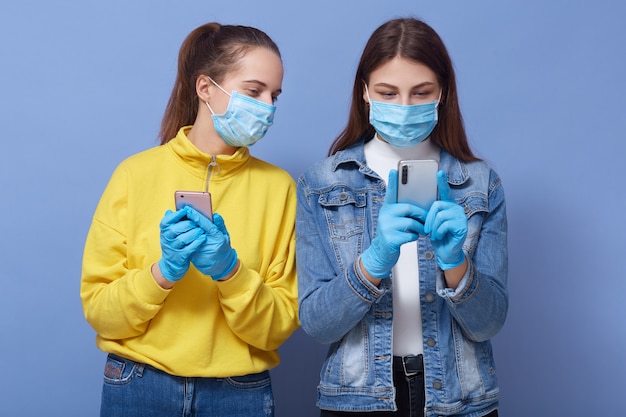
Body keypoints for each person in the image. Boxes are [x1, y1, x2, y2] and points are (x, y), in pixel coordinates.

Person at [80, 22, 298, 417]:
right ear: (205, 88)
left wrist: (231, 272)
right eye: (254, 91)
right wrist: (162, 274)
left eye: (274, 95)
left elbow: (278, 327)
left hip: (239, 392)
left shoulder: (279, 188)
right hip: (139, 384)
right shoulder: (134, 174)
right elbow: (101, 313)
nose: (267, 106)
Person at [296, 18, 508, 417]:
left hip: (460, 400)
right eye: (388, 92)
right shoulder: (321, 184)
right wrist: (374, 260)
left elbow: (489, 324)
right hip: (358, 401)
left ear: (442, 92)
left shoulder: (480, 184)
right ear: (364, 92)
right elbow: (317, 324)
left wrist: (455, 264)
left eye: (421, 92)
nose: (404, 107)